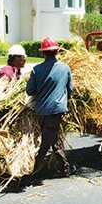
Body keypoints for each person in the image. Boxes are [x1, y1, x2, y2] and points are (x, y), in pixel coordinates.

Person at [26, 37, 73, 177]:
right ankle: (33, 171)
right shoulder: (65, 68)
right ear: (57, 51)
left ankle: (64, 168)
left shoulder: (36, 70)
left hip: (42, 111)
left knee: (50, 137)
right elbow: (70, 89)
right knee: (49, 140)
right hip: (57, 110)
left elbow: (30, 91)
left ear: (43, 53)